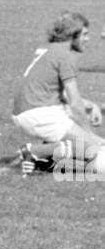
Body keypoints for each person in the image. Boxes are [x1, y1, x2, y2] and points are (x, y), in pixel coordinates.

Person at [13, 12, 105, 176]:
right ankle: (35, 152)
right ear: (72, 35)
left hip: (32, 110)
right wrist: (89, 134)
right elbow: (74, 100)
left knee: (90, 145)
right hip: (39, 113)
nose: (88, 38)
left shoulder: (50, 49)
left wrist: (91, 105)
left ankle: (43, 158)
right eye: (84, 34)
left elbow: (57, 92)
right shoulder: (65, 56)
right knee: (97, 150)